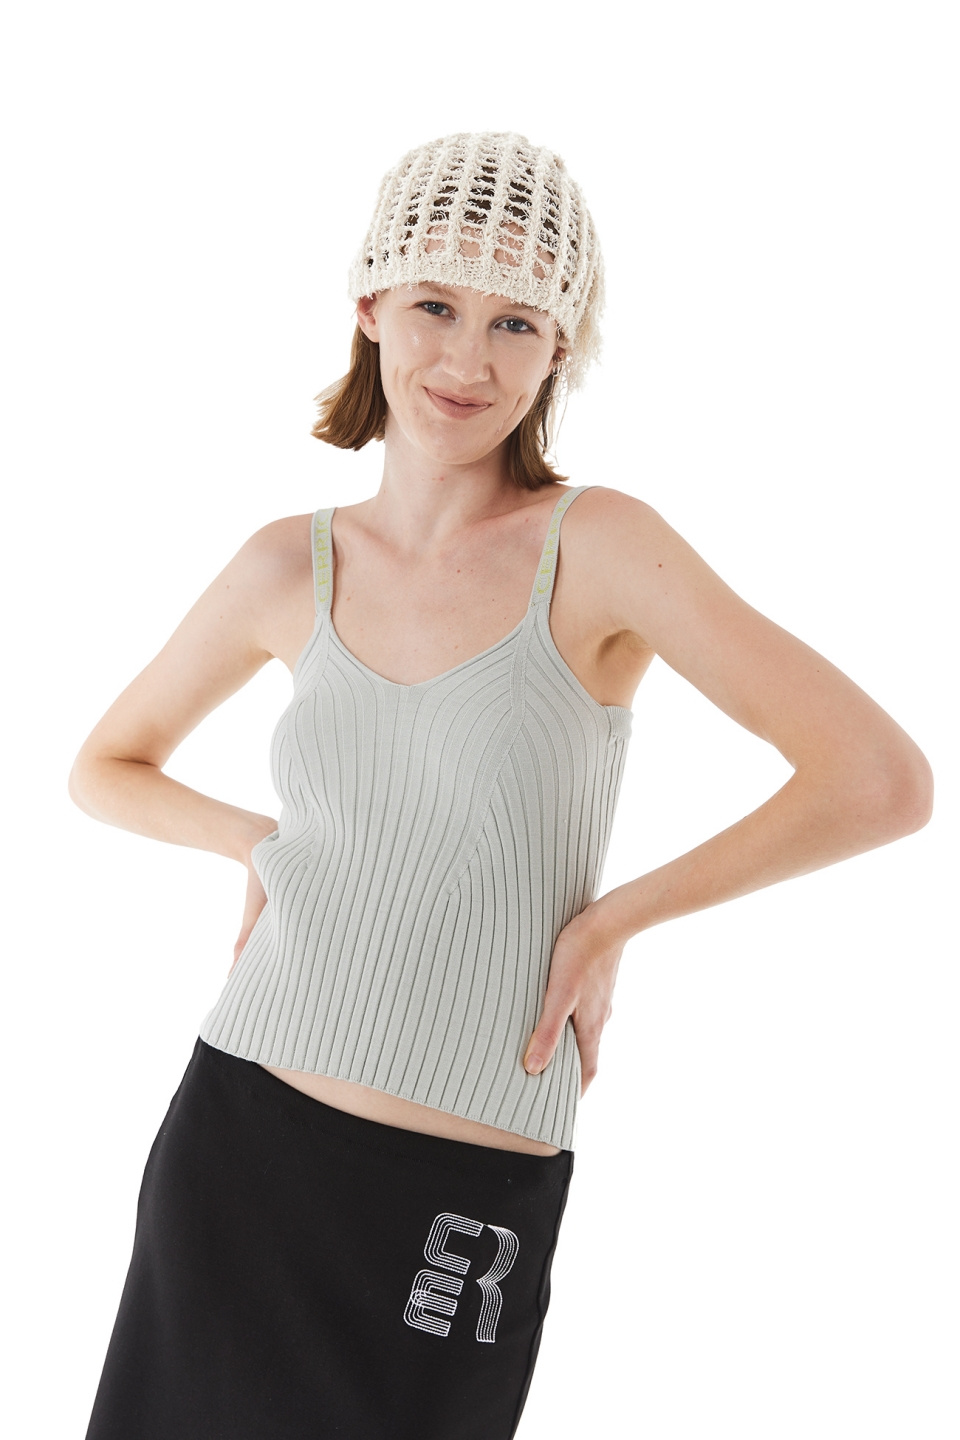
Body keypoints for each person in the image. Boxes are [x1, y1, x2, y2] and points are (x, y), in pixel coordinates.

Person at [68, 132, 933, 1440]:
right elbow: (104, 767)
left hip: (463, 1186)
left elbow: (879, 779)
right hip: (238, 1136)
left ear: (560, 348)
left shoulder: (598, 548)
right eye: (436, 303)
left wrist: (612, 921)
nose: (467, 360)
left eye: (516, 321)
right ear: (371, 305)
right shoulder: (287, 565)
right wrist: (253, 841)